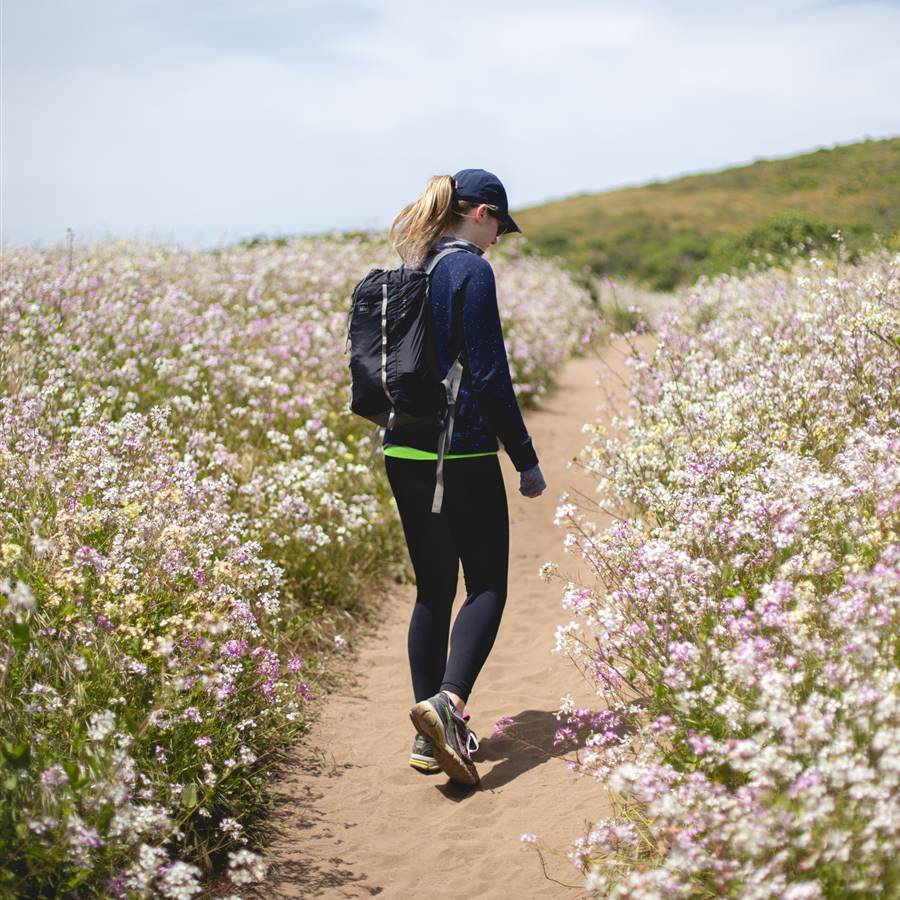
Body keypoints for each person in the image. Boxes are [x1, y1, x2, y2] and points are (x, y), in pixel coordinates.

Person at [383, 168, 547, 787]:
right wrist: (524, 458)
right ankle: (449, 705)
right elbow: (489, 376)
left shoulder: (412, 270)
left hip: (403, 449)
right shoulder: (469, 270)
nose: (500, 236)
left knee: (431, 590)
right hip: (464, 453)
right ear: (478, 213)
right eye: (499, 223)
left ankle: (428, 741)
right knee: (487, 587)